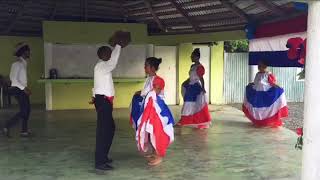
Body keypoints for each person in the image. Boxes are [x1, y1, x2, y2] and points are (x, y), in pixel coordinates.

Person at [90, 31, 130, 171]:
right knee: (103, 131)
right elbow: (113, 62)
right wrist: (118, 46)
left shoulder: (100, 66)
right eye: (109, 53)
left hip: (103, 101)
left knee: (109, 129)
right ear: (103, 55)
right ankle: (100, 162)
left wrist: (94, 96)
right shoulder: (103, 66)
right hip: (104, 103)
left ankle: (103, 156)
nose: (110, 55)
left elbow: (96, 84)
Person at [130, 58, 174, 166]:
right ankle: (154, 152)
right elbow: (147, 91)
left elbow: (156, 91)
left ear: (153, 68)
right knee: (150, 131)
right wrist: (139, 93)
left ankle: (159, 156)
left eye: (146, 66)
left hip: (156, 111)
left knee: (156, 131)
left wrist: (150, 92)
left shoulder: (158, 79)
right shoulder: (149, 79)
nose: (144, 68)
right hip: (148, 109)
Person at [242, 60, 288, 128]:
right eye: (258, 65)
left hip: (265, 95)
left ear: (265, 66)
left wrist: (279, 88)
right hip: (257, 94)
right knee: (257, 108)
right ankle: (258, 121)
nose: (259, 67)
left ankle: (267, 122)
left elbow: (273, 83)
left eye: (260, 65)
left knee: (266, 109)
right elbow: (255, 83)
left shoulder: (268, 74)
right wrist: (250, 84)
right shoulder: (257, 74)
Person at [176, 48, 211, 129]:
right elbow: (190, 77)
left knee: (191, 104)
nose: (191, 57)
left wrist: (203, 87)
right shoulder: (192, 66)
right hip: (190, 86)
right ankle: (186, 120)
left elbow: (201, 78)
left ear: (197, 57)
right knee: (190, 104)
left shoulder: (200, 67)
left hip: (195, 87)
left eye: (192, 56)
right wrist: (186, 82)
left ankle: (184, 120)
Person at [3, 42, 32, 138]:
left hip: (21, 89)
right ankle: (6, 126)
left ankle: (24, 131)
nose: (29, 52)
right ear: (23, 52)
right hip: (18, 89)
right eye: (28, 51)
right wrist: (25, 89)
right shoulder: (17, 64)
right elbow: (14, 80)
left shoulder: (23, 63)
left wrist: (25, 88)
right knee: (24, 111)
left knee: (27, 110)